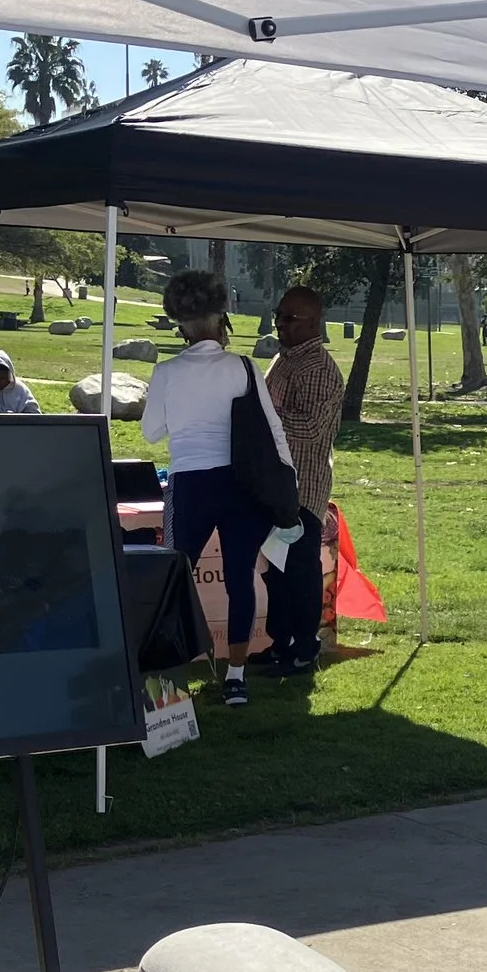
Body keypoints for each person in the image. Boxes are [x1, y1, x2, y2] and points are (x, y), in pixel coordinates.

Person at [138, 270, 291, 708]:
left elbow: (151, 433)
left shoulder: (167, 371)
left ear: (180, 322)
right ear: (221, 316)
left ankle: (170, 682)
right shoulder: (245, 366)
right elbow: (272, 430)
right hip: (241, 483)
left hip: (191, 483)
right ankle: (236, 678)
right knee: (239, 578)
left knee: (175, 579)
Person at [258, 285, 346, 674]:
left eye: (289, 318)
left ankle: (305, 648)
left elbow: (310, 429)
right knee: (276, 570)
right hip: (275, 484)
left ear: (314, 322)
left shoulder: (319, 369)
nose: (280, 324)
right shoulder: (285, 358)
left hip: (302, 487)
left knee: (299, 569)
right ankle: (281, 643)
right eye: (278, 316)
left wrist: (265, 415)